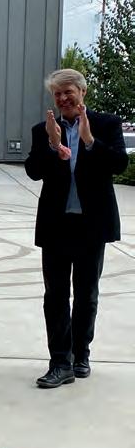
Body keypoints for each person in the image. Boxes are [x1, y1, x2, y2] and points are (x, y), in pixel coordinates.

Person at [25, 69, 128, 388]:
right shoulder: (44, 129)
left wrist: (90, 141)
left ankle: (81, 354)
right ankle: (60, 361)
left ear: (83, 91)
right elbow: (33, 171)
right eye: (57, 94)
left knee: (86, 294)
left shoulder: (106, 124)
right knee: (55, 295)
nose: (63, 98)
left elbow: (119, 164)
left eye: (68, 91)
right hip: (56, 225)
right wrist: (53, 145)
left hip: (91, 225)